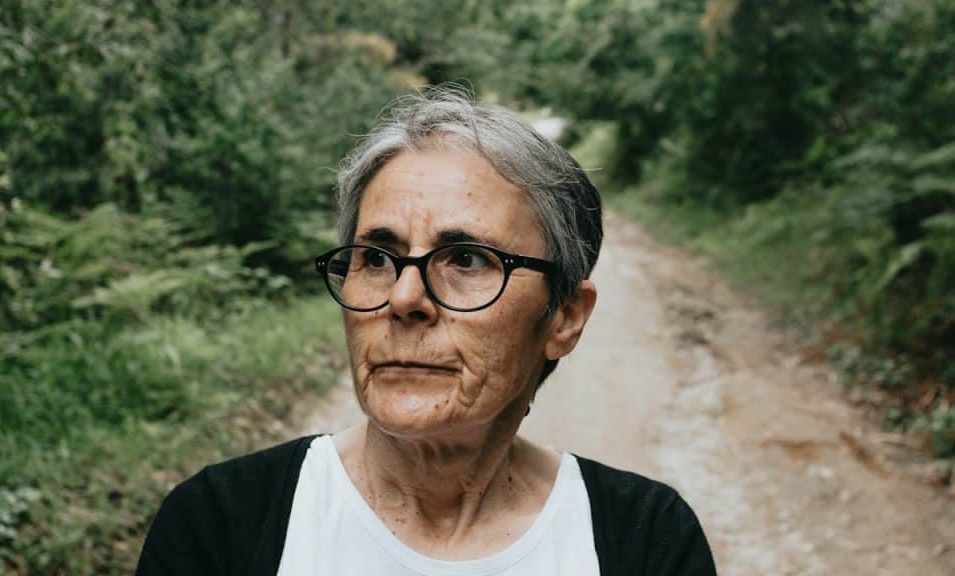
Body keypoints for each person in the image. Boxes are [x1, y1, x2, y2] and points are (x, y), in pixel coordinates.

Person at [135, 88, 716, 575]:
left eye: (466, 260)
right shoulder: (220, 527)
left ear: (564, 317)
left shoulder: (645, 542)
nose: (405, 298)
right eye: (376, 258)